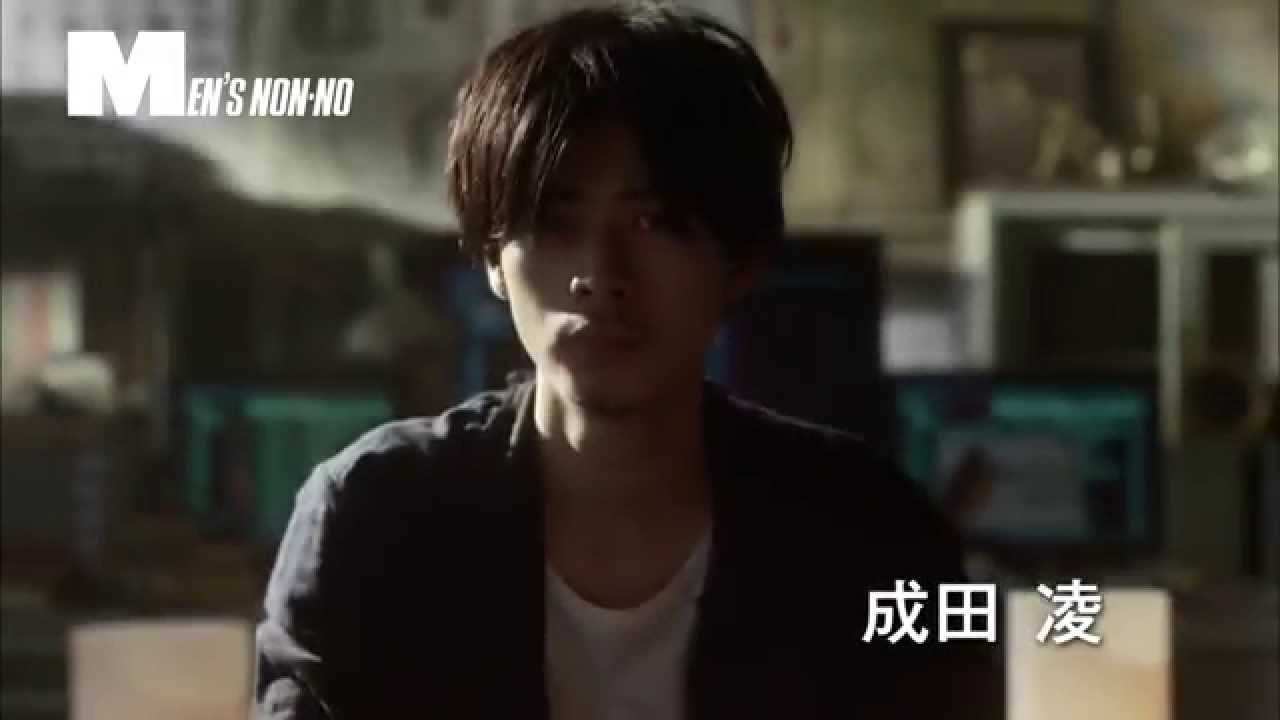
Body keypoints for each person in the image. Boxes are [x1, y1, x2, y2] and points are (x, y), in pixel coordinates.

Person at [254, 3, 1000, 718]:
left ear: (739, 260)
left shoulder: (873, 535)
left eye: (656, 222)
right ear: (491, 257)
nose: (600, 273)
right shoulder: (373, 520)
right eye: (556, 222)